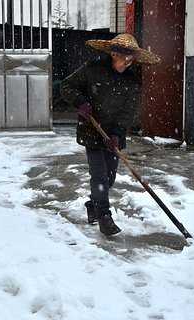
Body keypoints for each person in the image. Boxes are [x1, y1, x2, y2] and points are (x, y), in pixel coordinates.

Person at [61, 33, 160, 236]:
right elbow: (66, 86)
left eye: (131, 58)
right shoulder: (92, 69)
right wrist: (81, 102)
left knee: (109, 177)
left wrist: (117, 133)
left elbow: (129, 111)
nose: (127, 62)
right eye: (124, 57)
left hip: (114, 133)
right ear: (114, 54)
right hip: (92, 128)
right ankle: (104, 218)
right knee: (98, 176)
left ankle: (92, 204)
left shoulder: (132, 80)